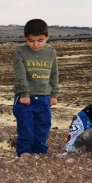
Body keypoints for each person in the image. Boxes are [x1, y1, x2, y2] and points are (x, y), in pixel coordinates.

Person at [12, 18, 60, 156]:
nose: (35, 44)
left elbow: (54, 73)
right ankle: (24, 154)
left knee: (43, 127)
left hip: (44, 98)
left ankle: (40, 154)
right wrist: (25, 93)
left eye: (40, 40)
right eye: (31, 40)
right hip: (25, 99)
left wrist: (54, 94)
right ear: (25, 38)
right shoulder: (20, 51)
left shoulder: (51, 53)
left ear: (47, 38)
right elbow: (20, 75)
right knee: (26, 128)